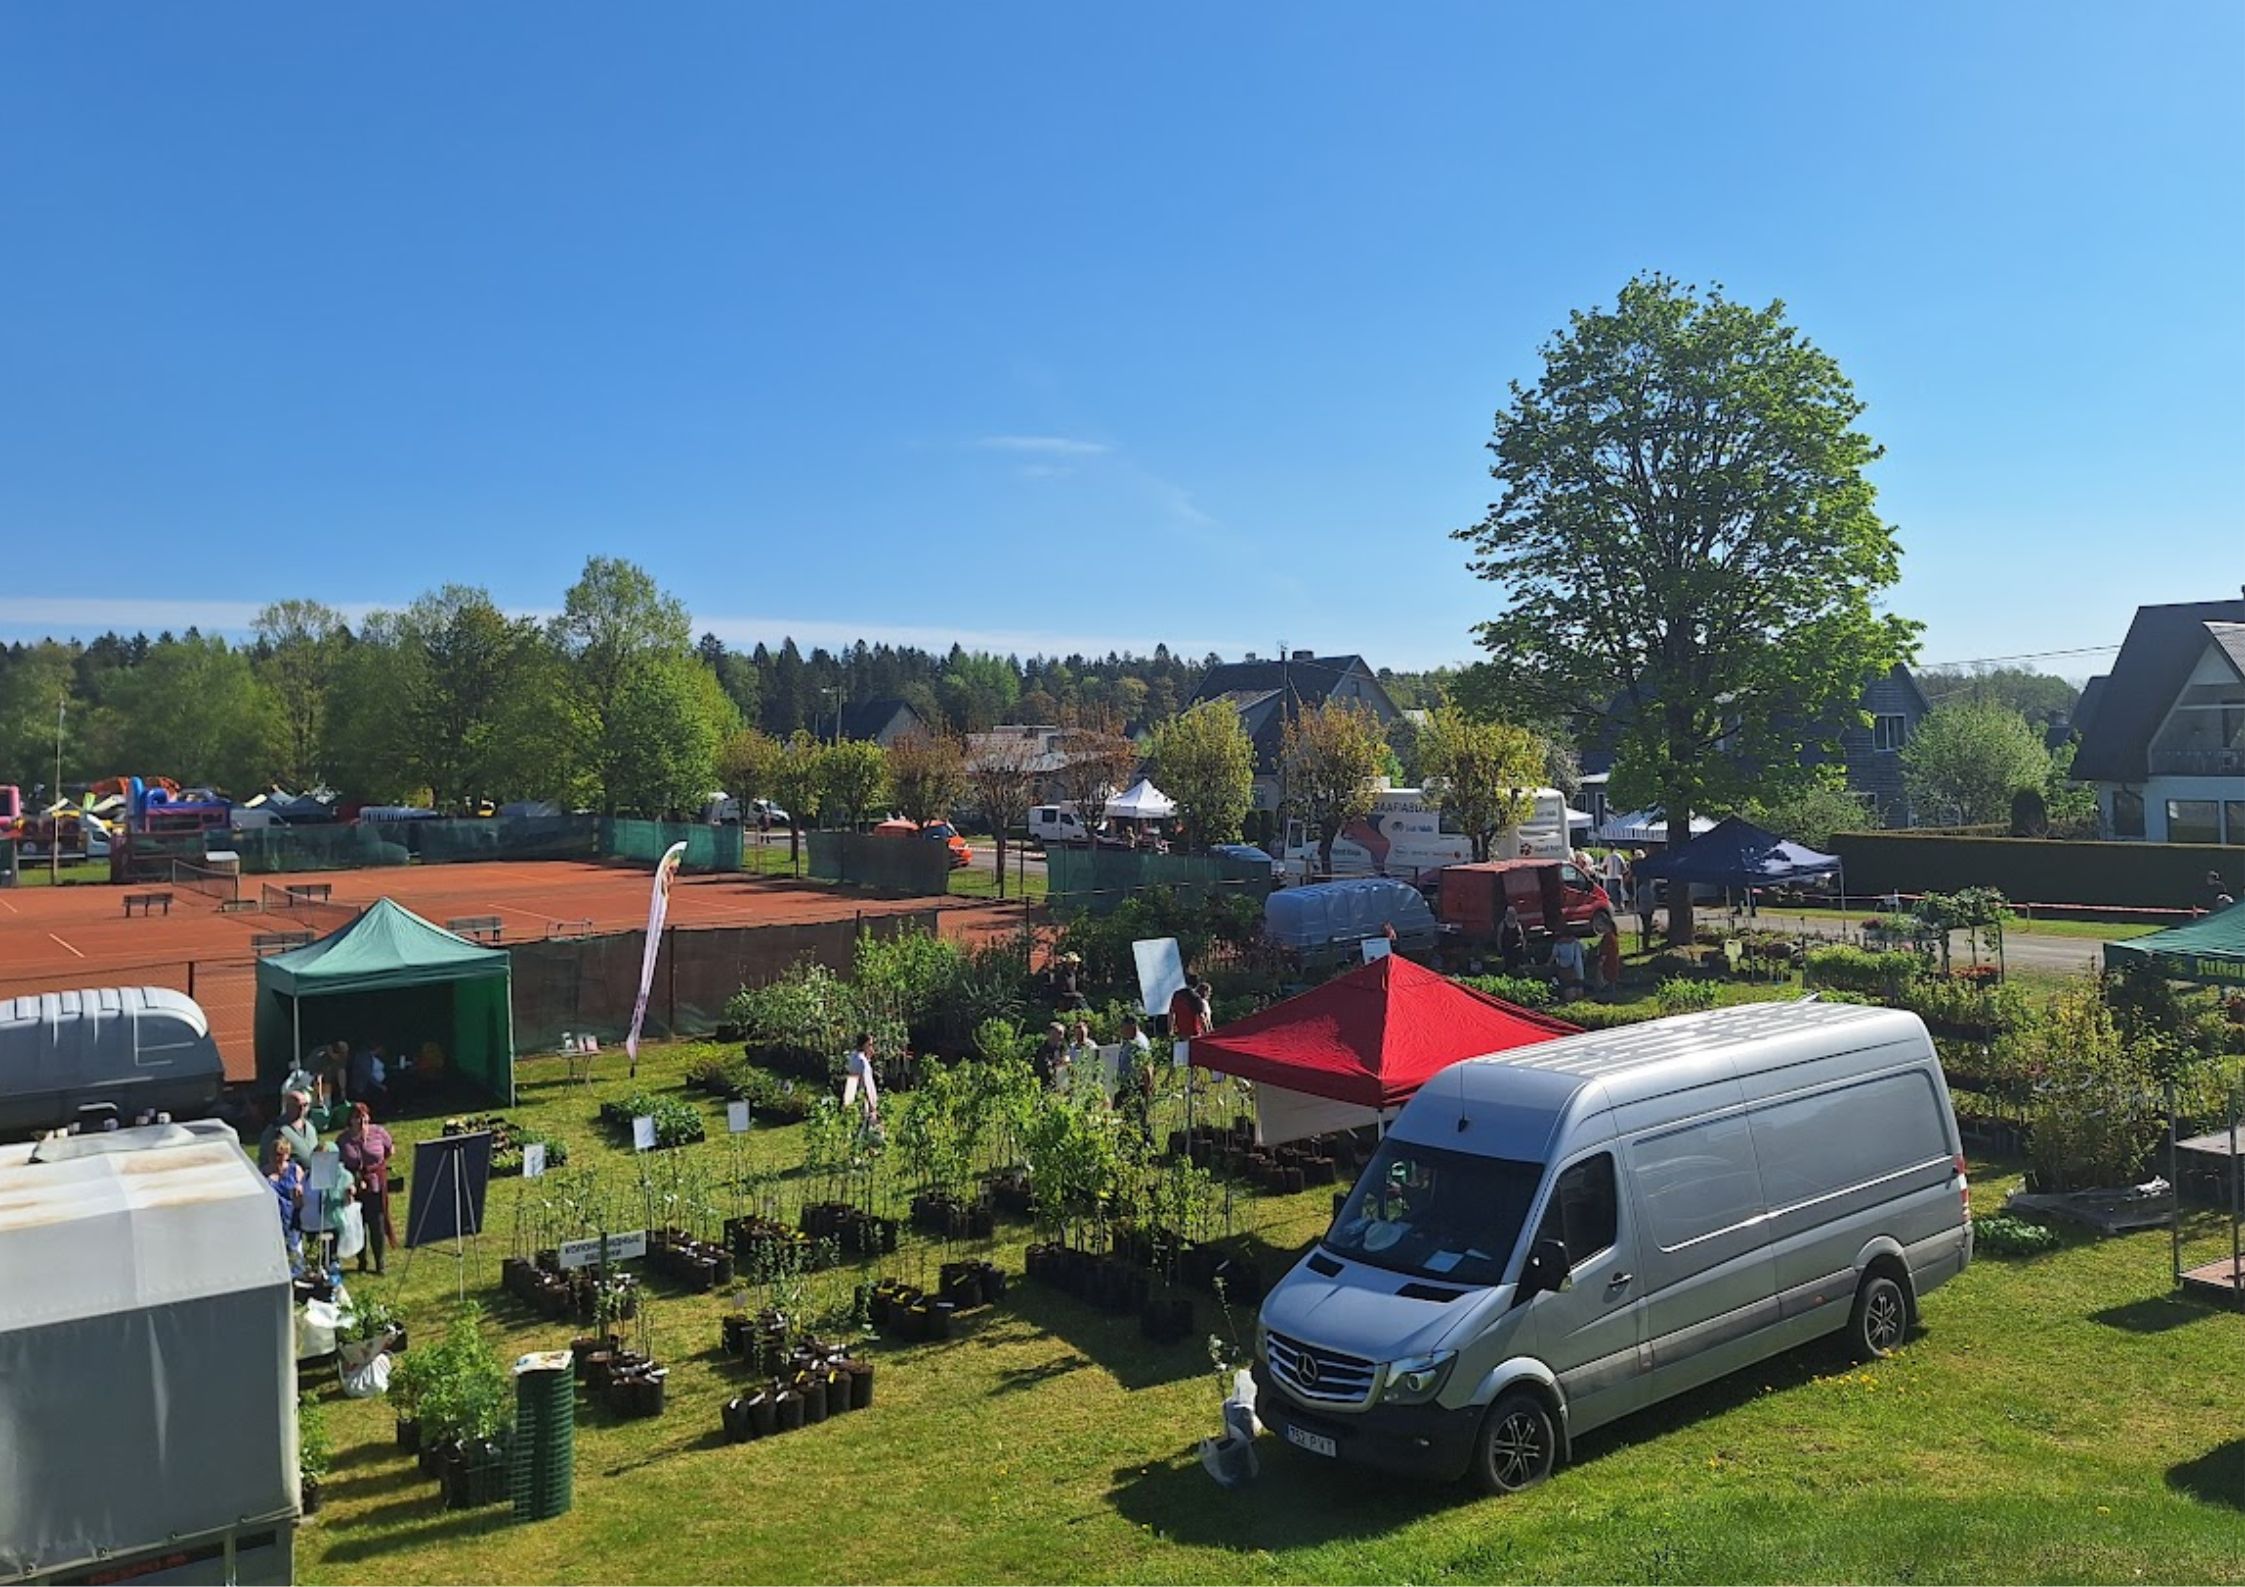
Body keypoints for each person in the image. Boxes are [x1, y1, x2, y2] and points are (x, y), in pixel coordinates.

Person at [337, 1103, 395, 1275]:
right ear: (350, 1120)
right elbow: (339, 1165)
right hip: (353, 1187)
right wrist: (354, 1180)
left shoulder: (378, 1132)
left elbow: (390, 1149)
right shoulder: (343, 1140)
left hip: (376, 1184)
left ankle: (380, 1262)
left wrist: (378, 1167)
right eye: (357, 1117)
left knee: (376, 1223)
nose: (361, 1120)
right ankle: (361, 1261)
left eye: (364, 1116)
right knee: (358, 1223)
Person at [264, 1136, 307, 1266]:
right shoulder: (263, 1173)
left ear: (287, 1155)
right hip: (273, 1218)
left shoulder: (295, 1170)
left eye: (281, 1154)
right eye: (274, 1154)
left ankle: (297, 1275)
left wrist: (300, 1189)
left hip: (292, 1215)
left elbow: (306, 1191)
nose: (277, 1158)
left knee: (295, 1250)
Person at [262, 1089, 319, 1170]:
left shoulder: (310, 1126)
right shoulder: (276, 1129)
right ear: (288, 1106)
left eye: (305, 1105)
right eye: (298, 1106)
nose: (302, 1108)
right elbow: (265, 1159)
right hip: (292, 1178)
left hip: (315, 1175)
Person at [841, 1032, 880, 1124]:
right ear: (864, 1045)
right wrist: (873, 1108)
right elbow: (867, 1085)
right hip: (864, 1101)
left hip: (853, 1098)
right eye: (870, 1045)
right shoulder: (862, 1062)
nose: (871, 1048)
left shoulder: (852, 1058)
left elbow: (851, 1080)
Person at [1550, 929, 1587, 1002]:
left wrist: (1548, 964)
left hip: (1565, 970)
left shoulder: (1558, 944)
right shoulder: (1577, 942)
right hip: (1578, 969)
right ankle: (1579, 1002)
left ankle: (1570, 1000)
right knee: (1579, 985)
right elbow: (1585, 954)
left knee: (1568, 986)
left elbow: (1553, 956)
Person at [1034, 1021, 1071, 1089]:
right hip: (1045, 1086)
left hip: (1062, 1086)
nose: (1061, 1036)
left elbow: (1067, 1064)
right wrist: (1057, 1063)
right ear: (1050, 1034)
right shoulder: (1042, 1050)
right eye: (1059, 1033)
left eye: (1062, 1034)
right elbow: (1044, 1068)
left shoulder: (1063, 1049)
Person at [1497, 902, 1528, 976]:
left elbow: (1521, 936)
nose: (1511, 915)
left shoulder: (1518, 925)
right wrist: (1499, 947)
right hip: (1507, 948)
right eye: (1509, 913)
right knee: (1507, 964)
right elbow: (1499, 937)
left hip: (1516, 948)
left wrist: (1524, 946)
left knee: (1517, 964)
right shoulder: (1503, 924)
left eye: (1512, 913)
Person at [1596, 920, 1623, 998]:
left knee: (1606, 982)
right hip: (1613, 963)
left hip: (1607, 964)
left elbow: (1604, 953)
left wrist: (1600, 965)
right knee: (1612, 982)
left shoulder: (1607, 937)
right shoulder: (1613, 936)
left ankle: (1607, 998)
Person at [1635, 873, 1659, 953]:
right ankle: (1645, 946)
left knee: (1648, 928)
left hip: (1648, 910)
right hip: (1645, 911)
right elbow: (1645, 900)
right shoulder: (1643, 889)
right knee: (1647, 928)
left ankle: (1646, 945)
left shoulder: (1648, 888)